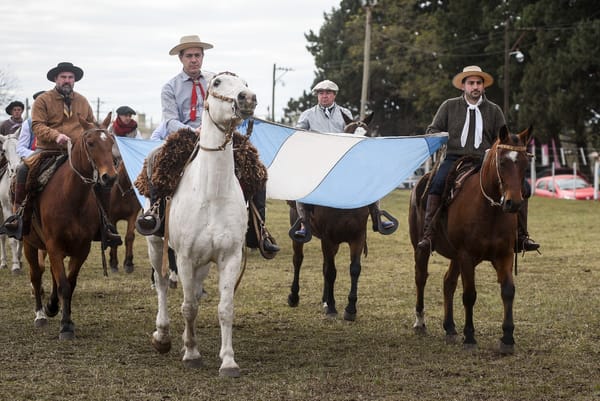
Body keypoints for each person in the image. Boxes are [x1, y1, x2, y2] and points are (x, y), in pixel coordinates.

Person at [136, 35, 279, 253]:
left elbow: (233, 105)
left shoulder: (217, 81)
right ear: (181, 59)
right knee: (157, 156)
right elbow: (170, 119)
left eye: (198, 55)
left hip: (220, 135)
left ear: (202, 57)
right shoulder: (170, 87)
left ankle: (258, 230)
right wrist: (194, 131)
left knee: (256, 167)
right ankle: (155, 213)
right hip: (185, 136)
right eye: (189, 56)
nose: (194, 60)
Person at [417, 65, 539, 253]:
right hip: (454, 158)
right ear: (463, 86)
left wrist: (497, 150)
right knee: (437, 184)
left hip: (485, 159)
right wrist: (441, 136)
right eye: (471, 83)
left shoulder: (494, 110)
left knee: (525, 187)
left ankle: (520, 236)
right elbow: (431, 130)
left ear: (483, 87)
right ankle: (429, 235)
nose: (475, 86)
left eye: (478, 83)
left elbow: (503, 139)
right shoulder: (449, 106)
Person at [1, 62, 122, 247]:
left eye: (70, 77)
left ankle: (105, 225)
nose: (67, 80)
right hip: (48, 150)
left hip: (78, 152)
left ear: (74, 80)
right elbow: (37, 125)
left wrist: (101, 130)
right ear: (56, 79)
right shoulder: (42, 101)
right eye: (63, 77)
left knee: (104, 178)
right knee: (23, 169)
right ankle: (19, 218)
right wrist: (56, 136)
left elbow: (90, 124)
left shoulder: (82, 101)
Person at [293, 79, 396, 239]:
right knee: (301, 186)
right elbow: (298, 136)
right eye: (321, 93)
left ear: (334, 95)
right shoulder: (307, 115)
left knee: (369, 180)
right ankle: (304, 223)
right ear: (317, 96)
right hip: (316, 161)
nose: (324, 96)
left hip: (342, 161)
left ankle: (377, 217)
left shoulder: (346, 113)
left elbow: (351, 135)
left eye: (328, 93)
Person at [16, 91, 45, 159]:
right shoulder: (28, 123)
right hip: (34, 157)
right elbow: (20, 148)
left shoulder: (58, 120)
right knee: (21, 170)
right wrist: (36, 155)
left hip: (56, 156)